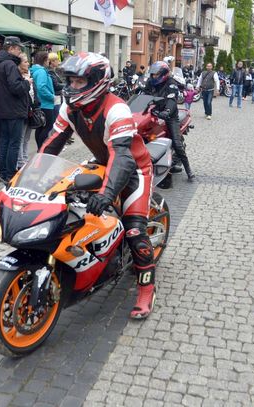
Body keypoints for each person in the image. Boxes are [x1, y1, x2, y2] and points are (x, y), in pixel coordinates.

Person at [40, 52, 157, 319]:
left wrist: (106, 194)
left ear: (97, 82)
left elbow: (123, 157)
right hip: (104, 162)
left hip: (135, 168)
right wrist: (30, 175)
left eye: (79, 82)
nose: (72, 87)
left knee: (135, 231)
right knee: (70, 208)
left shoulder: (116, 109)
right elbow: (51, 144)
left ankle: (146, 289)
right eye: (70, 81)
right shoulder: (70, 109)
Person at [144, 61, 195, 180]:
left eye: (156, 74)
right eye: (153, 74)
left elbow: (172, 100)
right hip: (152, 112)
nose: (154, 77)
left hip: (169, 115)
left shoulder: (171, 83)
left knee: (177, 143)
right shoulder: (150, 82)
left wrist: (167, 111)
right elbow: (144, 94)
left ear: (163, 74)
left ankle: (188, 170)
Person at [0, 36, 30, 181]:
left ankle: (3, 173)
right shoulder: (10, 65)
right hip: (14, 109)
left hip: (3, 109)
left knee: (5, 142)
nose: (20, 52)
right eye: (18, 49)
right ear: (11, 48)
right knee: (13, 143)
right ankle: (10, 174)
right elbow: (16, 87)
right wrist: (26, 83)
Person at [17, 53, 38, 169]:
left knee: (27, 138)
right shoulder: (18, 77)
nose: (28, 64)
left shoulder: (30, 74)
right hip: (23, 110)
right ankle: (20, 162)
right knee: (20, 138)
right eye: (25, 62)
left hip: (31, 110)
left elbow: (34, 92)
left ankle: (25, 158)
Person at [31, 51, 56, 150]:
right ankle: (42, 149)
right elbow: (41, 87)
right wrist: (52, 97)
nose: (48, 62)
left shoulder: (35, 70)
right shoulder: (41, 71)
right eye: (48, 60)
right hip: (46, 104)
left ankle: (40, 149)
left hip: (41, 103)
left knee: (40, 128)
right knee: (47, 127)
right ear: (44, 60)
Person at [48, 52, 64, 119]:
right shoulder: (50, 72)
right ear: (52, 61)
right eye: (57, 59)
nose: (58, 61)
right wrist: (66, 85)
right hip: (55, 97)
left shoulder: (53, 71)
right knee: (56, 117)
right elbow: (56, 85)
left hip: (57, 97)